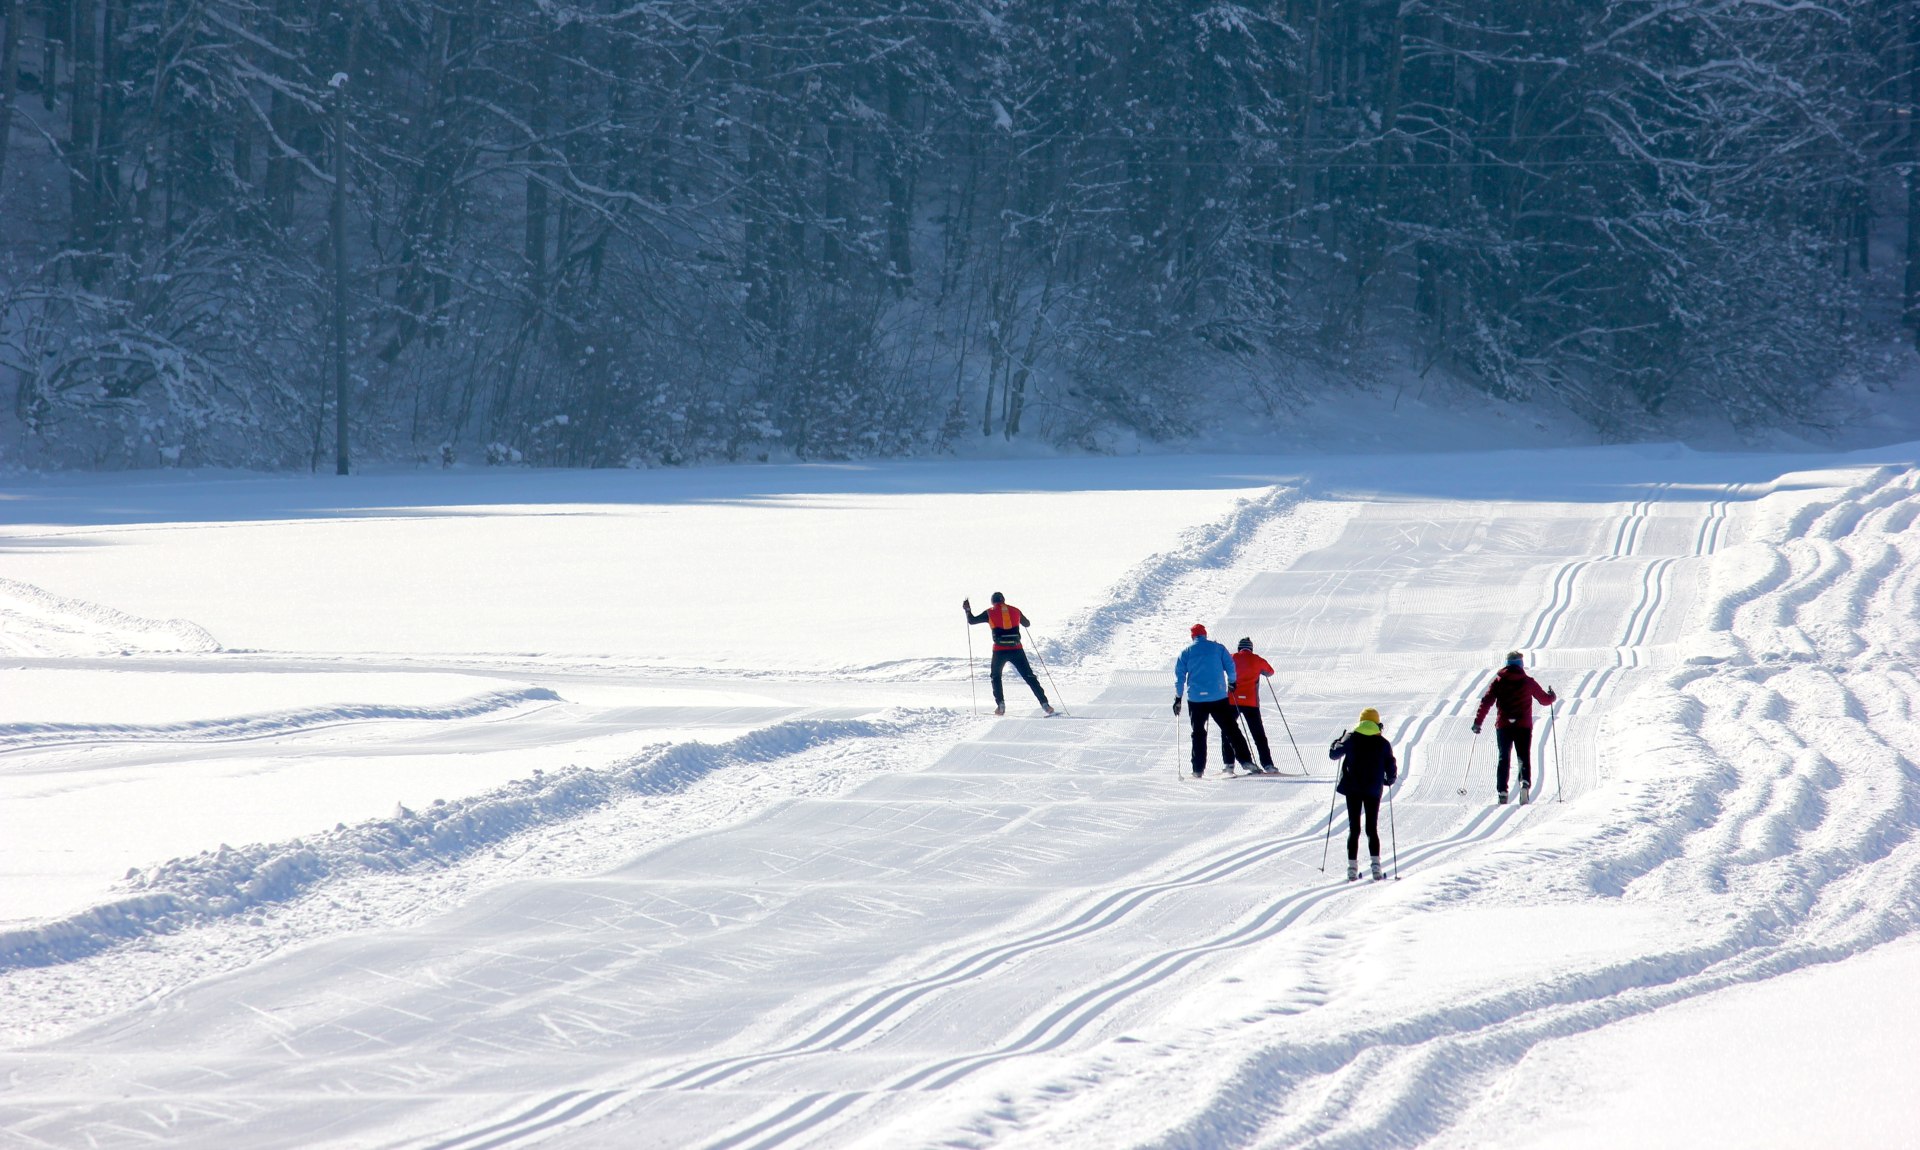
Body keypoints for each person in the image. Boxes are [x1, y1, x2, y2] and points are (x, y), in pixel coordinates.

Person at [1472, 650, 1557, 804]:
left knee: (1503, 757)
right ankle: (1524, 784)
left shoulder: (1498, 681)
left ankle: (1502, 792)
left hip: (1503, 725)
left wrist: (1478, 722)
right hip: (1523, 725)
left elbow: (1486, 701)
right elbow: (1544, 700)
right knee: (1523, 756)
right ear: (1520, 664)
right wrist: (1552, 696)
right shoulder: (1527, 681)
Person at [1329, 708, 1398, 881]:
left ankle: (1352, 870)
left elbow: (1333, 754)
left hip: (1353, 788)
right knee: (1371, 828)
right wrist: (1389, 780)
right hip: (1373, 789)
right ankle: (1376, 869)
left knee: (1354, 828)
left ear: (1361, 721)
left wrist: (1338, 740)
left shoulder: (1351, 738)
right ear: (1377, 723)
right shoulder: (1383, 743)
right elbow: (1391, 767)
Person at [1174, 624, 1251, 777]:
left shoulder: (1186, 652)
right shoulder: (1218, 648)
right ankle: (1246, 761)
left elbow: (1180, 677)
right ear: (1205, 635)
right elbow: (1230, 665)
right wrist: (1232, 682)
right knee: (1230, 729)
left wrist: (1178, 698)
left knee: (1198, 733)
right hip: (1218, 696)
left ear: (1192, 636)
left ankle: (1197, 769)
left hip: (1196, 699)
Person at [964, 592, 1054, 716]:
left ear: (993, 602)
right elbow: (1027, 624)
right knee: (1029, 677)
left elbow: (972, 621)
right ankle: (1045, 705)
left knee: (996, 677)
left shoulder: (990, 612)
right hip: (1016, 648)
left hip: (999, 650)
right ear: (1004, 600)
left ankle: (1000, 705)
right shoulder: (1015, 610)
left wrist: (967, 609)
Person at [1220, 637, 1278, 773]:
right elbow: (1270, 672)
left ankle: (1229, 765)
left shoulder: (1232, 657)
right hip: (1251, 702)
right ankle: (1267, 764)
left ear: (1239, 648)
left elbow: (1220, 666)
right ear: (1251, 648)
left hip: (1232, 700)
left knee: (1228, 732)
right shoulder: (1257, 659)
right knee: (1258, 734)